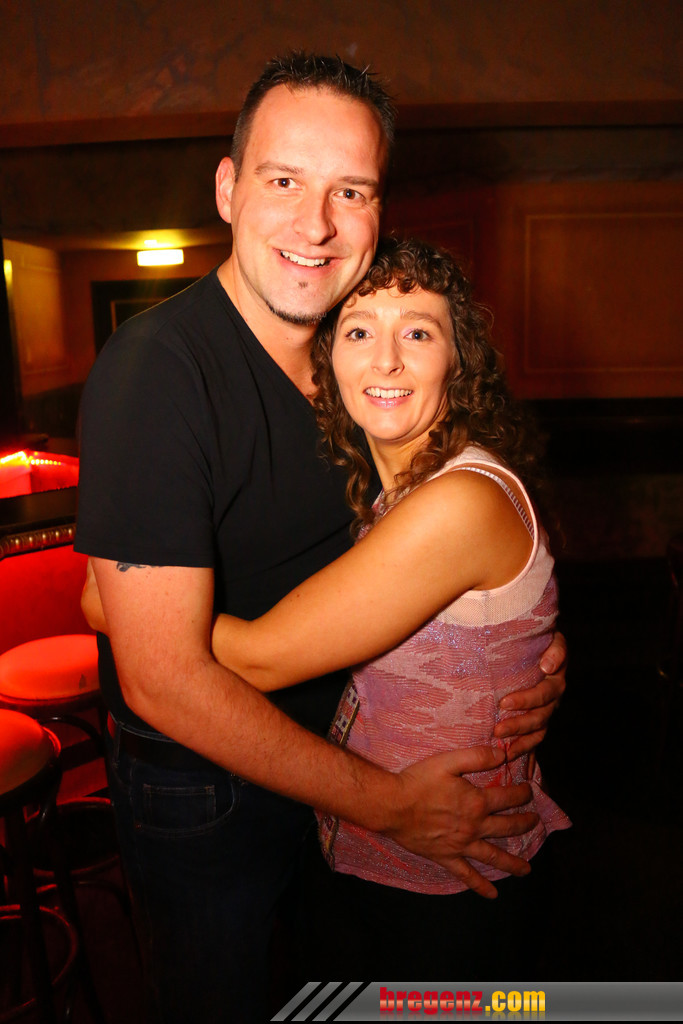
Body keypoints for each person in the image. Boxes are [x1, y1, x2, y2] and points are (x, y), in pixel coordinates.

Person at [76, 54, 566, 1022]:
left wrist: (517, 654)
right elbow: (162, 680)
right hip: (209, 788)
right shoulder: (157, 371)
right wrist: (385, 802)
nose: (315, 224)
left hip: (330, 761)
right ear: (227, 190)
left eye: (351, 190)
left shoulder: (352, 365)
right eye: (283, 181)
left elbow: (425, 551)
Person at [206, 235, 571, 977]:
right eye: (358, 332)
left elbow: (259, 659)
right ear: (326, 361)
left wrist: (128, 604)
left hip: (450, 890)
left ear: (458, 361)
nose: (386, 361)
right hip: (380, 861)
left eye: (418, 333)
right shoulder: (394, 492)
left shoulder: (458, 501)